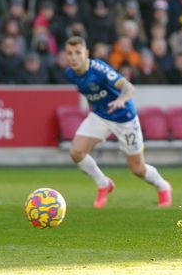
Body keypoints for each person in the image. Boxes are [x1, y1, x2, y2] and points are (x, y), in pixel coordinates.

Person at [64, 36, 172, 208]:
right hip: (100, 115)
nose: (74, 57)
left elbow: (129, 87)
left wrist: (121, 100)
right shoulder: (70, 73)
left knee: (138, 169)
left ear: (86, 54)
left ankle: (163, 186)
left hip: (124, 117)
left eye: (78, 53)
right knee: (76, 152)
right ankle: (103, 184)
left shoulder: (99, 69)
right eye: (70, 53)